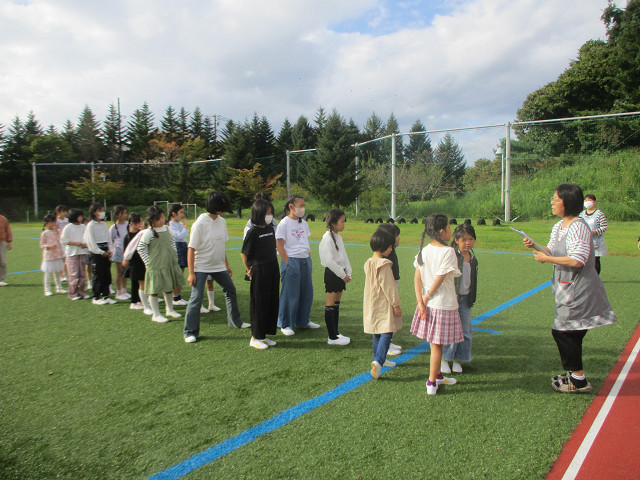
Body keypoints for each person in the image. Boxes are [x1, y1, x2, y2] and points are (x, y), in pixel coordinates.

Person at [524, 184, 617, 393]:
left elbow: (578, 260)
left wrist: (547, 258)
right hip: (565, 287)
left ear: (567, 202)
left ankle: (578, 380)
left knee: (564, 333)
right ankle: (575, 375)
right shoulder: (559, 226)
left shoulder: (578, 226)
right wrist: (535, 246)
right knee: (570, 332)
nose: (552, 202)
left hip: (579, 289)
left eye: (555, 199)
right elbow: (552, 249)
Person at [183, 192, 249, 343]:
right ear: (214, 206)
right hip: (200, 267)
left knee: (230, 290)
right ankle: (190, 332)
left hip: (219, 266)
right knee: (196, 298)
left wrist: (226, 264)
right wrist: (191, 273)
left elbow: (221, 245)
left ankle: (235, 322)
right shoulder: (199, 223)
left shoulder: (222, 221)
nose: (224, 211)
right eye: (222, 207)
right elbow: (191, 249)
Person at [411, 213, 462, 395]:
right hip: (441, 304)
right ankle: (431, 382)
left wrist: (420, 300)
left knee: (436, 343)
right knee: (437, 346)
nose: (450, 231)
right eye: (449, 228)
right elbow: (440, 278)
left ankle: (438, 376)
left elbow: (417, 277)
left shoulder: (424, 250)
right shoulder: (448, 252)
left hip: (429, 304)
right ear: (442, 231)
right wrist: (425, 298)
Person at [275, 195, 320, 336]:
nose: (303, 208)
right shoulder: (284, 223)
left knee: (306, 292)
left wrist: (308, 257)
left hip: (305, 260)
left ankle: (303, 320)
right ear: (291, 207)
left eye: (303, 205)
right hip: (291, 260)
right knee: (290, 293)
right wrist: (287, 262)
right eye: (300, 205)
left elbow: (304, 241)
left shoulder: (304, 223)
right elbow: (279, 245)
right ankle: (285, 323)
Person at [363, 228, 402, 379]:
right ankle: (379, 361)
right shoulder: (384, 264)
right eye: (390, 246)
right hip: (383, 302)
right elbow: (389, 287)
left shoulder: (369, 262)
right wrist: (396, 304)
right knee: (387, 331)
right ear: (384, 246)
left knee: (377, 332)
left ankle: (379, 359)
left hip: (371, 301)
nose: (392, 249)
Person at [241, 199, 280, 349]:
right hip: (260, 269)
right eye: (267, 213)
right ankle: (255, 337)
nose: (269, 215)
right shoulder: (253, 232)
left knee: (271, 301)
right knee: (259, 303)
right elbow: (244, 254)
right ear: (259, 213)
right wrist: (249, 269)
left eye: (271, 213)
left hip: (272, 267)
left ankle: (264, 335)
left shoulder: (270, 229)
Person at [137, 206, 185, 323]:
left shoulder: (167, 229)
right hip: (156, 265)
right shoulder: (148, 232)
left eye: (163, 217)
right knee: (154, 290)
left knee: (169, 287)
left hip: (168, 263)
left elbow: (172, 241)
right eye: (159, 218)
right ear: (152, 220)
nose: (162, 220)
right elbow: (141, 248)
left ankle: (170, 310)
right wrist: (148, 262)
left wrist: (174, 254)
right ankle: (156, 314)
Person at [441, 224, 478, 374]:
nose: (468, 242)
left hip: (465, 299)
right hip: (452, 299)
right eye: (464, 239)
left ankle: (459, 359)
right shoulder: (453, 256)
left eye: (471, 239)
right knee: (450, 330)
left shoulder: (473, 258)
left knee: (466, 330)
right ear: (456, 240)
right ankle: (444, 359)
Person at [319, 208, 352, 346]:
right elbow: (329, 261)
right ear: (333, 223)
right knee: (330, 304)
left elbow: (344, 256)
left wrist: (348, 272)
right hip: (333, 274)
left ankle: (336, 333)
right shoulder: (326, 239)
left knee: (337, 304)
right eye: (341, 221)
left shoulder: (339, 237)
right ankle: (331, 337)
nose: (343, 224)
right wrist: (342, 274)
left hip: (341, 273)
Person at [376, 223, 403, 355]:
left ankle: (388, 342)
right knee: (386, 317)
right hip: (387, 289)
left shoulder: (392, 252)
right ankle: (385, 344)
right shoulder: (385, 255)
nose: (399, 238)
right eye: (396, 235)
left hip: (393, 285)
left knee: (390, 317)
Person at [84, 203, 116, 305]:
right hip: (96, 253)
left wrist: (110, 250)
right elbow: (91, 243)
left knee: (106, 274)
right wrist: (101, 252)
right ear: (94, 212)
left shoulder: (104, 225)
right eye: (99, 210)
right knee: (98, 275)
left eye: (102, 210)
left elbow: (108, 239)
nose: (102, 212)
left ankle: (106, 295)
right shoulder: (91, 225)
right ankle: (96, 297)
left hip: (105, 251)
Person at [60, 209, 90, 300]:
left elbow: (87, 238)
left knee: (82, 274)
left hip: (82, 252)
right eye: (80, 216)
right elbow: (63, 241)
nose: (81, 217)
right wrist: (76, 243)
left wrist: (85, 244)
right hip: (72, 254)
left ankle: (82, 292)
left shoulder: (83, 227)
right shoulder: (68, 227)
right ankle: (72, 293)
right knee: (74, 274)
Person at [122, 213, 149, 312]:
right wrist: (127, 260)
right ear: (132, 223)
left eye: (141, 222)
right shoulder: (128, 236)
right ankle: (134, 302)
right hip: (134, 262)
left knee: (142, 281)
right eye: (139, 222)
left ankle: (141, 300)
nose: (141, 224)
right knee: (135, 282)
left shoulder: (141, 233)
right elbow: (127, 249)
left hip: (142, 260)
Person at [579, 194, 607, 275]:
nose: (587, 202)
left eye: (589, 200)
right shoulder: (582, 214)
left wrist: (594, 232)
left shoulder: (599, 214)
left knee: (595, 260)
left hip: (596, 241)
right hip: (585, 240)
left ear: (594, 202)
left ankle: (595, 276)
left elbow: (604, 227)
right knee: (585, 259)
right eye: (586, 200)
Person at [40, 214, 67, 296]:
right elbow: (42, 245)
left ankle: (59, 288)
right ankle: (47, 290)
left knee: (58, 272)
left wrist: (56, 232)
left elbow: (61, 240)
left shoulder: (58, 231)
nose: (53, 224)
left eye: (54, 222)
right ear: (47, 223)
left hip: (58, 255)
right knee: (48, 273)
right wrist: (48, 246)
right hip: (49, 256)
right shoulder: (45, 233)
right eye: (51, 222)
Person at [168, 203, 189, 306]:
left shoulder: (180, 224)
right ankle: (174, 297)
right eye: (180, 212)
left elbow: (184, 236)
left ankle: (178, 296)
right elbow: (178, 236)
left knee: (181, 274)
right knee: (176, 274)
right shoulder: (170, 225)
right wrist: (185, 227)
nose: (182, 214)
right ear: (173, 213)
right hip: (176, 248)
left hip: (183, 247)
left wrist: (184, 227)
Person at [110, 204, 130, 300]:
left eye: (126, 213)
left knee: (125, 273)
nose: (125, 215)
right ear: (117, 215)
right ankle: (118, 292)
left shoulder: (128, 225)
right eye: (123, 213)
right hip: (118, 253)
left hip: (126, 252)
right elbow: (110, 240)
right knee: (119, 272)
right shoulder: (114, 228)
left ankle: (124, 290)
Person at [0, 213, 12, 287]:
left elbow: (8, 230)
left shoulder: (3, 219)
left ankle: (1, 279)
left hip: (2, 242)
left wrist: (9, 242)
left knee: (2, 262)